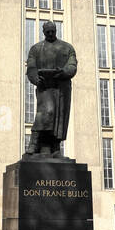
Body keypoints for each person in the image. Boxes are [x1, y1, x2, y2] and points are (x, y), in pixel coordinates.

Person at [26, 21, 78, 156]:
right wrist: (36, 78)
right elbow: (31, 68)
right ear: (43, 32)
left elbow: (72, 66)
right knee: (46, 112)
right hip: (45, 87)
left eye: (52, 31)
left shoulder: (67, 48)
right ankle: (36, 143)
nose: (50, 33)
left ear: (56, 31)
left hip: (62, 87)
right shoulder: (36, 49)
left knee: (60, 117)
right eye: (47, 31)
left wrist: (64, 72)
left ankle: (54, 147)